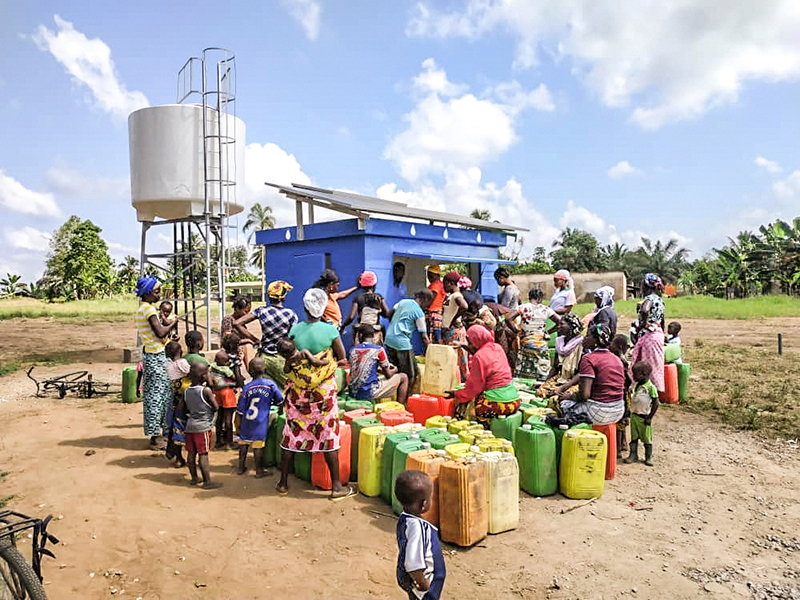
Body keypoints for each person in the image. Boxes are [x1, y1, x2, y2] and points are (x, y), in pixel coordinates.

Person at [276, 288, 353, 500]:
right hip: (322, 396)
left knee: (292, 433)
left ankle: (283, 483)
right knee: (328, 434)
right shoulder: (330, 331)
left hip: (298, 395)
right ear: (323, 309)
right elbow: (341, 357)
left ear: (305, 307)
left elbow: (289, 356)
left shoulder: (295, 330)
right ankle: (336, 487)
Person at [135, 276, 179, 450]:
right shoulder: (150, 311)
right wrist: (173, 323)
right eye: (156, 291)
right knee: (156, 397)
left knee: (160, 395)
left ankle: (159, 433)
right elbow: (160, 332)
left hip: (151, 354)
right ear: (148, 293)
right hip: (156, 357)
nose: (159, 294)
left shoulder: (142, 309)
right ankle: (155, 437)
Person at [448, 325, 520, 426]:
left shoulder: (479, 357)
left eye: (468, 339)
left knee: (464, 406)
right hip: (514, 400)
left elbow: (474, 388)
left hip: (498, 404)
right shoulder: (497, 347)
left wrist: (457, 394)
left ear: (473, 340)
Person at [233, 280, 298, 388]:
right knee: (288, 388)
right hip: (281, 358)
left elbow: (237, 323)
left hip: (264, 357)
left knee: (265, 389)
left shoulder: (261, 311)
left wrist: (254, 339)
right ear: (283, 297)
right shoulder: (291, 315)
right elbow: (292, 337)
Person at [559, 323, 626, 426]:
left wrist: (570, 396)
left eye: (588, 336)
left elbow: (585, 395)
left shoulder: (589, 359)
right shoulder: (616, 359)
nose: (584, 339)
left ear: (596, 339)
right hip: (618, 410)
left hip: (599, 412)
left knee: (563, 405)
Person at [395, 470, 446, 600]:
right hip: (424, 585)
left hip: (412, 580)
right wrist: (422, 582)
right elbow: (413, 561)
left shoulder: (404, 520)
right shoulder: (419, 528)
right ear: (424, 504)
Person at [236, 357, 283, 478]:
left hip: (247, 421)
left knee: (243, 444)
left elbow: (240, 409)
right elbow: (280, 400)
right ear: (265, 369)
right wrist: (280, 409)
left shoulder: (247, 387)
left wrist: (239, 423)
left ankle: (240, 467)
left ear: (249, 371)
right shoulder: (270, 385)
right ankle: (259, 470)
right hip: (260, 422)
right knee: (258, 446)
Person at [179, 362, 221, 489]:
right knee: (203, 454)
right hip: (202, 428)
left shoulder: (186, 392)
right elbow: (216, 407)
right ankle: (207, 482)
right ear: (204, 376)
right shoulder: (206, 390)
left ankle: (194, 478)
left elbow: (181, 409)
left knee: (191, 454)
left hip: (190, 427)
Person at [506, 289, 561, 381]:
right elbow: (560, 322)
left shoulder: (523, 307)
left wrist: (516, 331)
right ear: (540, 299)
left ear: (530, 297)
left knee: (524, 371)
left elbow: (508, 319)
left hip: (527, 342)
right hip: (541, 344)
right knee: (542, 371)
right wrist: (548, 331)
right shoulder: (546, 309)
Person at [385, 290, 433, 395]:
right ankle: (405, 400)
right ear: (425, 300)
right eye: (428, 304)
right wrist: (433, 350)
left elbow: (389, 314)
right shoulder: (419, 313)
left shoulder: (402, 302)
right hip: (402, 344)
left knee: (394, 371)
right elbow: (424, 337)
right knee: (411, 375)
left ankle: (393, 396)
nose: (427, 307)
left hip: (389, 339)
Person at [348, 324, 410, 404]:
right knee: (404, 377)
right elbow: (388, 375)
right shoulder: (379, 350)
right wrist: (395, 369)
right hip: (369, 392)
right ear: (373, 336)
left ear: (360, 335)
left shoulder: (352, 350)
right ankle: (400, 407)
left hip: (353, 392)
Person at [631, 274, 666, 393]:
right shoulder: (660, 300)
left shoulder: (649, 299)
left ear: (646, 286)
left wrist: (642, 325)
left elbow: (646, 310)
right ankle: (656, 390)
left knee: (645, 365)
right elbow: (662, 320)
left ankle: (646, 391)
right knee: (656, 364)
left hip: (649, 336)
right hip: (658, 333)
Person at [624, 361, 660, 466]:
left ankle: (648, 457)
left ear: (643, 374)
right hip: (634, 416)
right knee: (634, 437)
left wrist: (650, 417)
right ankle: (633, 455)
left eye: (635, 374)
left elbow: (656, 402)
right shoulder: (637, 385)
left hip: (644, 418)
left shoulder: (650, 387)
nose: (634, 376)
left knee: (646, 439)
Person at [341, 271, 392, 342]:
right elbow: (387, 314)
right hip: (375, 331)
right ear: (374, 285)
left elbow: (351, 317)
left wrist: (343, 326)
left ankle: (353, 348)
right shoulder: (378, 297)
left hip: (361, 330)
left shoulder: (358, 298)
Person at [164, 341, 189, 468]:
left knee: (175, 426)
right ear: (180, 351)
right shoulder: (183, 363)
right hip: (186, 398)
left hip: (175, 398)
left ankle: (178, 457)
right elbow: (190, 373)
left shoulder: (168, 366)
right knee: (183, 425)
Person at [441, 271, 470, 381]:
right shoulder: (451, 296)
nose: (443, 287)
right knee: (452, 360)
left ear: (451, 283)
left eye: (445, 284)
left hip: (455, 331)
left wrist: (453, 319)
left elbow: (464, 306)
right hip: (450, 331)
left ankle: (462, 383)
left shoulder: (457, 296)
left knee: (458, 360)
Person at [211, 349, 238, 450]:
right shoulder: (226, 369)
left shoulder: (213, 366)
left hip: (217, 393)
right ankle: (229, 442)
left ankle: (218, 441)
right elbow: (234, 377)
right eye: (226, 361)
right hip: (227, 393)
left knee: (219, 417)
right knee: (228, 419)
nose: (228, 363)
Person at [610, 334, 632, 457]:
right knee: (623, 421)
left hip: (621, 393)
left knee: (619, 422)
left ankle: (617, 450)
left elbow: (627, 379)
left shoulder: (618, 360)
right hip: (625, 393)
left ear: (618, 346)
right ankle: (624, 443)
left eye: (612, 343)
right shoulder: (623, 359)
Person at [220, 296, 255, 368]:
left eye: (248, 312)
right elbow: (227, 337)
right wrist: (248, 340)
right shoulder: (228, 320)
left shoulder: (241, 322)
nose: (247, 314)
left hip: (239, 354)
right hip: (229, 354)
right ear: (237, 308)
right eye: (245, 311)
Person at [425, 266, 445, 343]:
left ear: (437, 275)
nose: (429, 278)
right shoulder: (441, 284)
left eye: (431, 275)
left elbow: (431, 298)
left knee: (431, 337)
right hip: (438, 313)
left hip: (433, 313)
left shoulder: (435, 285)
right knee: (437, 336)